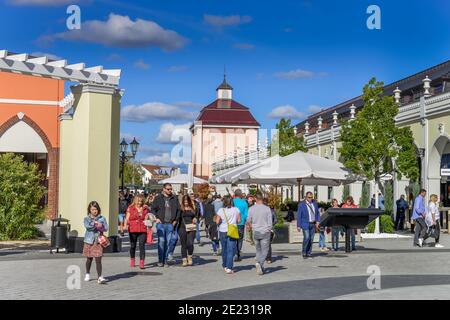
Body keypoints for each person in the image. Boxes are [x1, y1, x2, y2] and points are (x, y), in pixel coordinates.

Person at [151, 183, 181, 267]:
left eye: (170, 189)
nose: (170, 190)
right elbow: (153, 208)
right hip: (161, 224)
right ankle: (161, 260)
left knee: (168, 242)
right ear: (163, 189)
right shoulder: (158, 198)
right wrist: (156, 218)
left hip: (170, 224)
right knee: (161, 242)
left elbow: (179, 210)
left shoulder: (174, 198)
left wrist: (175, 220)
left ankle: (165, 260)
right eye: (168, 189)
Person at [246, 192, 273, 275]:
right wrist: (269, 229)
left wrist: (251, 227)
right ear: (262, 198)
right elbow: (270, 222)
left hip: (256, 232)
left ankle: (261, 266)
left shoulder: (251, 209)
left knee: (258, 250)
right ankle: (260, 264)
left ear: (255, 199)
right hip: (265, 231)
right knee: (265, 250)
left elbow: (248, 221)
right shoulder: (267, 208)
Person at [83, 201, 108, 284]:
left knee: (98, 259)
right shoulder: (87, 218)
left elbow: (106, 228)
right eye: (92, 209)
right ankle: (87, 273)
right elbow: (88, 227)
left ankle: (100, 277)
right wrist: (95, 224)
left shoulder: (102, 218)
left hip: (98, 241)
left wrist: (102, 226)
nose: (94, 211)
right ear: (89, 210)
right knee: (89, 259)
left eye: (96, 209)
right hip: (89, 241)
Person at [216, 196, 241, 274]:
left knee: (224, 249)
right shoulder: (236, 209)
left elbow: (217, 222)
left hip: (223, 231)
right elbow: (239, 221)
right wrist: (234, 222)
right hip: (232, 231)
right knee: (231, 249)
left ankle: (225, 265)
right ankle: (229, 267)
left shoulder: (221, 210)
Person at [124, 193, 149, 269]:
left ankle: (142, 263)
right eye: (138, 201)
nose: (139, 203)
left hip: (142, 229)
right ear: (135, 201)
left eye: (141, 201)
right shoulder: (130, 208)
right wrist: (125, 225)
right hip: (133, 229)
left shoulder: (145, 208)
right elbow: (127, 218)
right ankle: (132, 260)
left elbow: (147, 218)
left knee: (142, 245)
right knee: (133, 246)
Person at [297, 192, 320, 259]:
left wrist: (318, 221)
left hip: (313, 224)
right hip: (305, 224)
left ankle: (309, 252)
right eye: (309, 197)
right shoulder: (301, 204)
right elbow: (299, 216)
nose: (310, 199)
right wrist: (298, 225)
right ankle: (304, 252)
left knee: (311, 239)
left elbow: (317, 213)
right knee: (307, 237)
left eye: (311, 197)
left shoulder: (315, 203)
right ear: (306, 197)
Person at [178, 195, 199, 266]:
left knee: (190, 243)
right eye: (184, 201)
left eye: (187, 201)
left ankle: (189, 256)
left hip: (191, 227)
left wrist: (195, 218)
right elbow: (177, 217)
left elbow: (197, 215)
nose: (186, 202)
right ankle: (184, 259)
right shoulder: (180, 208)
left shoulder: (193, 208)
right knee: (183, 244)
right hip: (182, 227)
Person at [232, 189, 248, 262]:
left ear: (235, 194)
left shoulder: (232, 202)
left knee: (233, 239)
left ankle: (234, 253)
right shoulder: (244, 202)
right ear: (241, 194)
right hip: (241, 223)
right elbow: (246, 214)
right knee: (240, 239)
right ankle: (238, 253)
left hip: (232, 223)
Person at [265, 199, 278, 264]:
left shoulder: (271, 211)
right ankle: (268, 258)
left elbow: (275, 220)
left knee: (267, 244)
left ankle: (268, 258)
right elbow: (276, 220)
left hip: (268, 230)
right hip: (269, 229)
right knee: (267, 244)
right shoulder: (272, 211)